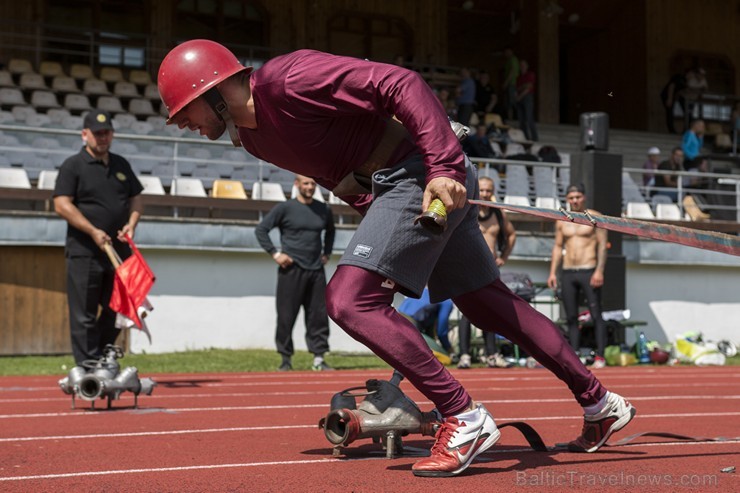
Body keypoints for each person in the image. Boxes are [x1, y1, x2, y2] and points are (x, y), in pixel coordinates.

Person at [158, 40, 635, 477]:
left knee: (348, 301)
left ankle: (463, 416)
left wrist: (444, 169)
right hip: (402, 187)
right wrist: (388, 229)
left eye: (183, 109)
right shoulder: (255, 138)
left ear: (214, 87)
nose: (181, 122)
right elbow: (346, 177)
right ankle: (600, 403)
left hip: (422, 173)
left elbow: (399, 83)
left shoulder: (288, 78)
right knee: (485, 302)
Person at [53, 109, 143, 367]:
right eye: (98, 133)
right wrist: (92, 231)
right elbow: (61, 204)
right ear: (85, 135)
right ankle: (87, 365)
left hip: (118, 252)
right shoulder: (73, 165)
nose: (103, 138)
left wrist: (131, 223)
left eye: (107, 133)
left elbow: (136, 197)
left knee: (119, 305)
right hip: (85, 251)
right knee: (84, 313)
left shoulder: (121, 164)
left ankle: (102, 356)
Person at [255, 174, 335, 371]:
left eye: (313, 184)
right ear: (297, 184)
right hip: (291, 269)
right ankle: (285, 360)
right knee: (286, 316)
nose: (309, 187)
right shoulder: (285, 208)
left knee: (318, 315)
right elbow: (261, 230)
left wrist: (326, 253)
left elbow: (331, 231)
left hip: (316, 270)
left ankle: (318, 359)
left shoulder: (323, 208)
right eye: (306, 183)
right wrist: (275, 254)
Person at [457, 176, 516, 369]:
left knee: (490, 310)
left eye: (488, 190)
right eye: (482, 190)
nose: (485, 194)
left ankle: (492, 354)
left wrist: (504, 256)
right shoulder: (467, 209)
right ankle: (464, 355)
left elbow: (511, 234)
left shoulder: (498, 213)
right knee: (467, 311)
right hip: (469, 266)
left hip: (490, 268)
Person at [547, 184, 608, 368]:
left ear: (584, 197)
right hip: (568, 271)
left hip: (589, 269)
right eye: (571, 197)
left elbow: (602, 246)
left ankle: (600, 356)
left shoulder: (594, 216)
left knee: (596, 314)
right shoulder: (562, 219)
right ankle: (574, 354)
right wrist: (552, 272)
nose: (574, 201)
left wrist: (599, 271)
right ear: (567, 198)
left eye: (578, 197)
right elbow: (558, 247)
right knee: (571, 316)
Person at [398, 287, 454, 356]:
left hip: (396, 317)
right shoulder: (446, 300)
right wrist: (449, 349)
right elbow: (441, 332)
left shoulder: (421, 290)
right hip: (411, 323)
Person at [515, 59, 538, 142]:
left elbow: (529, 87)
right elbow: (518, 88)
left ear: (527, 66)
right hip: (519, 98)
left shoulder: (530, 74)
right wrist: (523, 87)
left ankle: (534, 138)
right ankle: (525, 137)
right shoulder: (519, 77)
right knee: (521, 120)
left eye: (524, 65)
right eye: (521, 65)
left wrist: (521, 94)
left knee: (529, 118)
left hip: (527, 97)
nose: (522, 67)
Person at [502, 46, 520, 122]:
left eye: (507, 52)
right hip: (510, 84)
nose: (506, 54)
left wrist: (506, 82)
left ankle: (517, 118)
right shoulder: (508, 61)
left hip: (512, 83)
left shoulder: (513, 59)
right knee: (508, 102)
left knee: (512, 102)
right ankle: (510, 118)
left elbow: (512, 71)